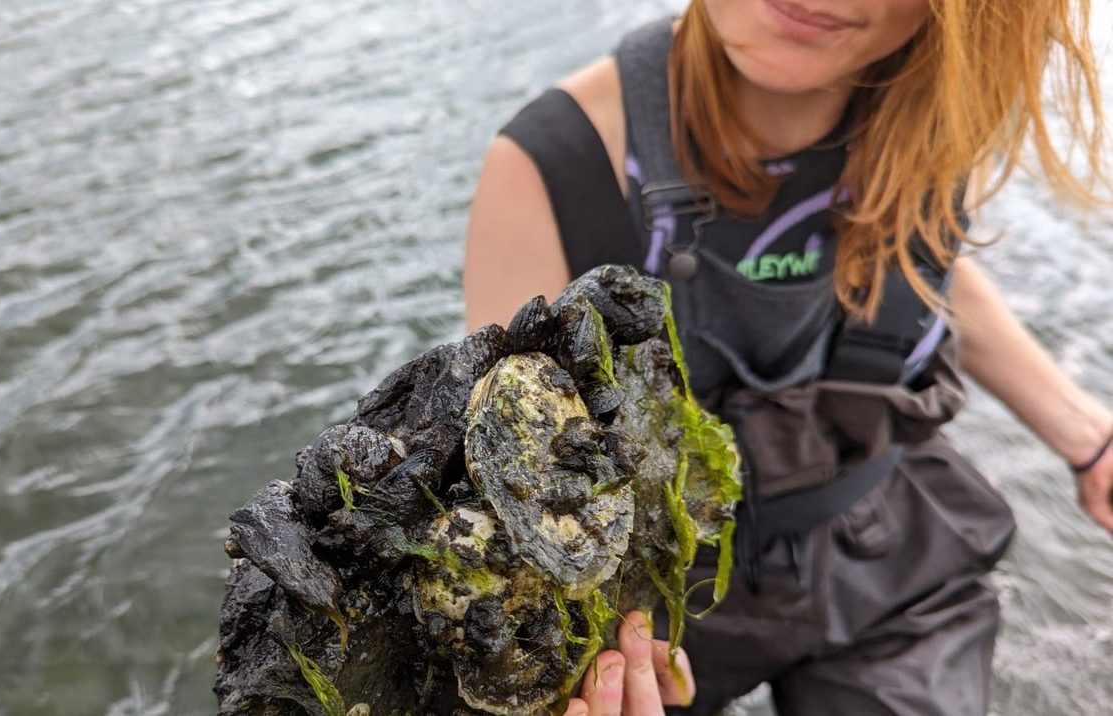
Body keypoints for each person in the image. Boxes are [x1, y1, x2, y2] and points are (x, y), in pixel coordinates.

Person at [463, 1, 1113, 714]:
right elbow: (508, 503)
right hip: (662, 610)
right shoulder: (554, 164)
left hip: (885, 549)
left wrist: (1087, 436)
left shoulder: (927, 100)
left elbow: (912, 264)